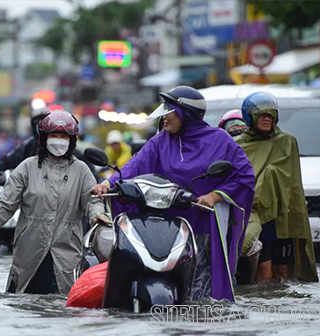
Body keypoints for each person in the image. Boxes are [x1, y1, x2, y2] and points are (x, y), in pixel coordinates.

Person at [92, 86, 255, 302]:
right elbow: (134, 167)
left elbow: (244, 176)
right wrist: (107, 184)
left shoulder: (220, 140)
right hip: (166, 224)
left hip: (203, 224)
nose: (165, 117)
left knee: (201, 290)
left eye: (170, 111)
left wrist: (215, 196)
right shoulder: (161, 141)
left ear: (186, 114)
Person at [0, 111, 108, 295]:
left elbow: (92, 200)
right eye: (53, 136)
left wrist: (98, 215)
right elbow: (5, 205)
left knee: (63, 302)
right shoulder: (27, 167)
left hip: (66, 249)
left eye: (63, 136)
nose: (58, 140)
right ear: (43, 139)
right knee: (23, 303)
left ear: (72, 140)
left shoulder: (82, 170)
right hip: (29, 246)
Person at [235, 91, 318, 283]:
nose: (266, 119)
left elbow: (291, 179)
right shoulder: (237, 145)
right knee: (262, 271)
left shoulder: (287, 142)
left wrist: (270, 177)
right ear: (250, 117)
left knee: (283, 271)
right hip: (256, 215)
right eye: (262, 115)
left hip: (282, 215)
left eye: (270, 115)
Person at [0, 106, 99, 183]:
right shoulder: (28, 150)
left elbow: (90, 176)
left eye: (61, 137)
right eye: (37, 122)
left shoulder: (70, 152)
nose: (57, 142)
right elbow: (6, 161)